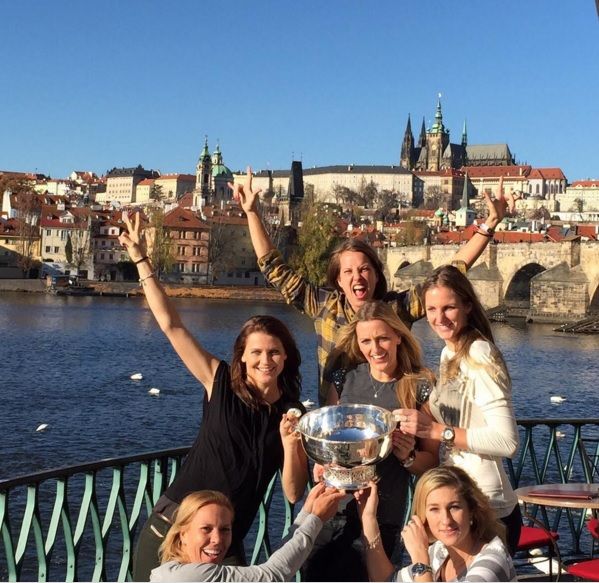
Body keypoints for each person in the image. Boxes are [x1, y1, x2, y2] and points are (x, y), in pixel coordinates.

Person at [118, 212, 309, 581]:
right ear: (242, 357)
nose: (265, 360)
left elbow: (292, 491)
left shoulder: (292, 413)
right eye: (255, 353)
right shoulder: (219, 380)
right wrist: (142, 259)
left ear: (286, 357)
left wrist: (290, 444)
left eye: (273, 352)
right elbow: (172, 325)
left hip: (224, 537)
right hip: (175, 526)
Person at [231, 170, 516, 405]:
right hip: (336, 420)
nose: (358, 277)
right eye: (349, 271)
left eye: (365, 269)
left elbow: (451, 274)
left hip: (390, 425)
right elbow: (274, 267)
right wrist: (252, 212)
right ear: (339, 281)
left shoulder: (394, 309)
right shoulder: (323, 304)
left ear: (377, 276)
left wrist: (490, 224)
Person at [302, 300, 439, 581]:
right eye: (366, 341)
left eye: (382, 338)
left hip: (381, 516)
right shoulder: (344, 380)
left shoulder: (419, 384)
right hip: (332, 509)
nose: (375, 349)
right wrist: (321, 466)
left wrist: (408, 457)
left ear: (398, 336)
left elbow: (432, 464)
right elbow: (330, 444)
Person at [395, 264, 521, 554]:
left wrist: (437, 431)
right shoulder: (448, 351)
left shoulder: (480, 353)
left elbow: (507, 441)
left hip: (489, 508)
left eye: (448, 308)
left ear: (466, 305)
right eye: (431, 310)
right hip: (459, 502)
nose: (439, 318)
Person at [150, 482, 346, 582]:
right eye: (206, 529)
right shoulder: (191, 576)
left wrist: (307, 511)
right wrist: (316, 519)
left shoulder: (173, 571)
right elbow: (272, 576)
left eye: (225, 529)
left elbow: (269, 569)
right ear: (182, 534)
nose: (217, 539)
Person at [357, 466, 516, 582]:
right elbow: (387, 580)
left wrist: (420, 559)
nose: (446, 520)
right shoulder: (440, 553)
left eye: (454, 507)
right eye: (434, 509)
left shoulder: (492, 562)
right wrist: (368, 517)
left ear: (472, 511)